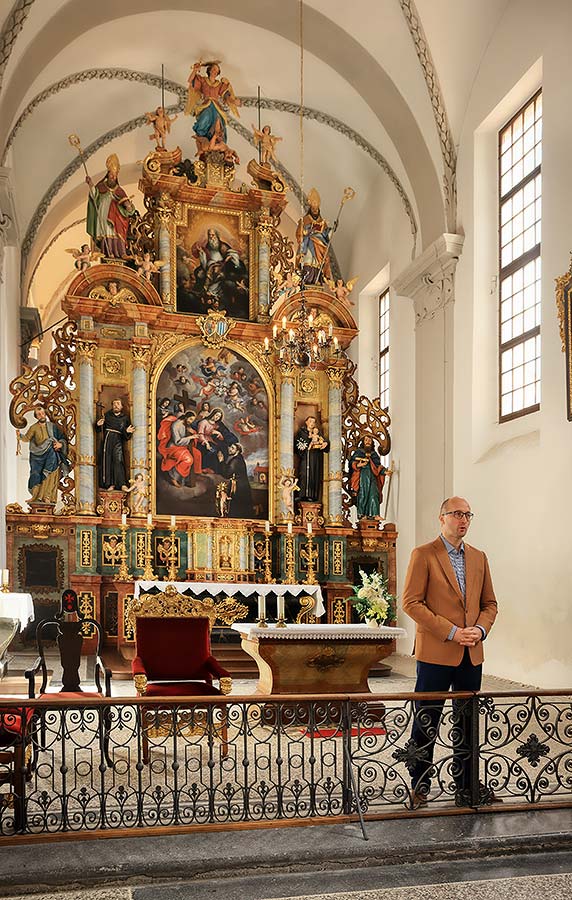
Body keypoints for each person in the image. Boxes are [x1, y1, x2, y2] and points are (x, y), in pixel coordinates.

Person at [402, 496, 498, 808]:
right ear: (441, 518)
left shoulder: (479, 557)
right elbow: (411, 603)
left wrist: (479, 630)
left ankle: (466, 786)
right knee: (426, 719)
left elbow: (490, 604)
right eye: (457, 514)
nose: (463, 520)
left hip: (471, 653)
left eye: (468, 514)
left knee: (467, 721)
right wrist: (452, 631)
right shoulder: (424, 554)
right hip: (436, 652)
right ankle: (420, 785)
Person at [17, 404, 70, 504]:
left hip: (51, 452)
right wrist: (20, 436)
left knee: (51, 473)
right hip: (37, 456)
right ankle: (36, 496)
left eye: (42, 413)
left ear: (45, 414)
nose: (41, 415)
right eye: (39, 414)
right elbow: (27, 438)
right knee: (36, 474)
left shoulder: (52, 427)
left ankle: (47, 496)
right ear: (36, 417)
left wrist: (60, 444)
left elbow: (63, 438)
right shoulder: (33, 428)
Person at [86, 154, 136, 259]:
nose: (113, 177)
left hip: (117, 217)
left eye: (115, 175)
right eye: (111, 175)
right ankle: (108, 252)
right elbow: (94, 196)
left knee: (118, 230)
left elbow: (129, 209)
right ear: (107, 174)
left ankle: (121, 253)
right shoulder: (101, 187)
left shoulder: (119, 190)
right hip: (104, 214)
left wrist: (128, 207)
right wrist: (90, 184)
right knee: (107, 231)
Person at [185, 60, 241, 153]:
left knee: (218, 122)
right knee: (205, 117)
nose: (215, 71)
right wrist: (195, 70)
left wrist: (233, 101)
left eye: (217, 70)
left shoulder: (219, 84)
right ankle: (201, 139)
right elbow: (190, 80)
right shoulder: (203, 80)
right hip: (206, 104)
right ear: (209, 70)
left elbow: (226, 95)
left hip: (216, 106)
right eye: (214, 69)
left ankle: (217, 139)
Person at [96, 399, 134, 491]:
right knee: (107, 461)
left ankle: (122, 484)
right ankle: (110, 484)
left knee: (118, 460)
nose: (115, 406)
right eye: (114, 404)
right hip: (108, 440)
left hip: (118, 440)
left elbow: (126, 435)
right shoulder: (107, 416)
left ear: (121, 406)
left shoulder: (125, 418)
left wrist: (127, 431)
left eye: (117, 404)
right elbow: (100, 430)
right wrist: (98, 425)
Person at [296, 188, 331, 285]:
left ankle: (317, 279)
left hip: (319, 245)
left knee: (317, 262)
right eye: (313, 205)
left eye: (317, 205)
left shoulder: (323, 222)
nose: (315, 208)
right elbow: (299, 233)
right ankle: (307, 279)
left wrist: (331, 230)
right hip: (308, 243)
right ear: (310, 206)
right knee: (308, 259)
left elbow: (326, 235)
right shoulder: (305, 219)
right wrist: (306, 231)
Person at [349, 436, 391, 518]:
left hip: (373, 476)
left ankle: (375, 514)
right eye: (366, 440)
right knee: (362, 494)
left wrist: (385, 471)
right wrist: (359, 465)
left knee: (374, 493)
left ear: (372, 443)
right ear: (363, 442)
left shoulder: (374, 455)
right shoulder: (358, 452)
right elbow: (352, 463)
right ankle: (362, 514)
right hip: (362, 475)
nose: (368, 442)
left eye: (370, 440)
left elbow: (378, 467)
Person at [294, 415, 329, 503]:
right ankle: (301, 495)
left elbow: (323, 441)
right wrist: (307, 446)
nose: (312, 424)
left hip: (315, 457)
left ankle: (312, 496)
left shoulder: (317, 432)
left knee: (314, 475)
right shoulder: (302, 432)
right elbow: (298, 443)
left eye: (313, 422)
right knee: (304, 474)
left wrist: (325, 443)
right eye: (310, 421)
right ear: (306, 422)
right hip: (305, 456)